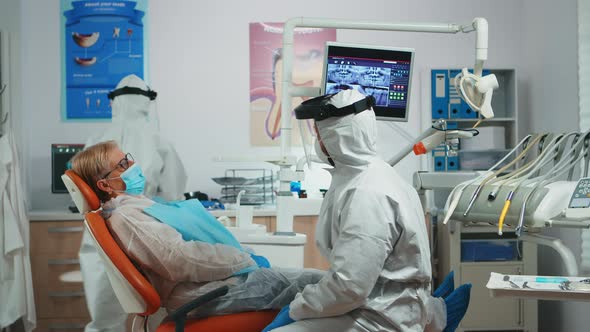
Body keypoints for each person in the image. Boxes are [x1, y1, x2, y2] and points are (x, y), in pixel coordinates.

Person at [263, 89, 471, 332]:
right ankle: (436, 312)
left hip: (379, 319)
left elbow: (349, 287)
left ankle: (436, 316)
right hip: (382, 304)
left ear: (334, 138)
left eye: (319, 135)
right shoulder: (373, 176)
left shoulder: (366, 194)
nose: (318, 142)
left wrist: (296, 308)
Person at [70, 140, 325, 320]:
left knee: (317, 283)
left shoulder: (135, 205)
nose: (132, 164)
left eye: (128, 157)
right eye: (123, 164)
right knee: (323, 286)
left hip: (213, 284)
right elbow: (181, 259)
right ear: (104, 184)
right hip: (206, 295)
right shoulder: (128, 217)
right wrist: (241, 258)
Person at [77, 74, 188, 332]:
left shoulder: (96, 140)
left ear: (115, 102)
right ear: (145, 102)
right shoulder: (159, 141)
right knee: (154, 311)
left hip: (101, 235)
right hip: (144, 233)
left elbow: (80, 192)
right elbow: (174, 192)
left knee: (104, 315)